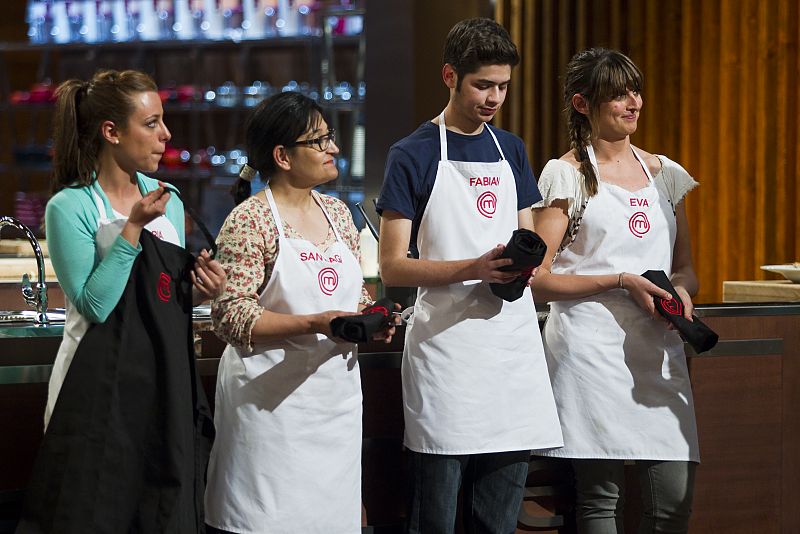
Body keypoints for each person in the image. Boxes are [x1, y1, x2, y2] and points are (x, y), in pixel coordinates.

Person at [17, 69, 226, 533]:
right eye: (151, 124)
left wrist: (201, 287)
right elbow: (95, 304)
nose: (165, 135)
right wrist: (131, 228)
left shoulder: (168, 200)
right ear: (111, 132)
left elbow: (161, 298)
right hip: (93, 390)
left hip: (161, 383)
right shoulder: (69, 207)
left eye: (163, 121)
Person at [377, 17, 563, 534]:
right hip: (447, 354)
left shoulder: (512, 149)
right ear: (449, 76)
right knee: (436, 516)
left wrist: (520, 267)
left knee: (499, 519)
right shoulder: (411, 153)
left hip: (510, 350)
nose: (493, 97)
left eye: (502, 86)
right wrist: (472, 268)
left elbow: (527, 235)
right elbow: (391, 265)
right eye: (483, 84)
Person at [204, 91, 396, 534]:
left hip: (335, 411)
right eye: (321, 141)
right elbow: (231, 316)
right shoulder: (249, 220)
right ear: (282, 156)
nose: (335, 149)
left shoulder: (338, 214)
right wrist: (316, 323)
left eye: (330, 137)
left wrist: (374, 317)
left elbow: (354, 298)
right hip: (270, 415)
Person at [530, 48, 700, 533]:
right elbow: (538, 279)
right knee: (599, 501)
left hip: (658, 350)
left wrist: (683, 292)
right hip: (590, 353)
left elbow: (686, 267)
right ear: (583, 104)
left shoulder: (665, 174)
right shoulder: (566, 174)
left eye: (636, 91)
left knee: (671, 504)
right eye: (618, 94)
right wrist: (621, 280)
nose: (633, 102)